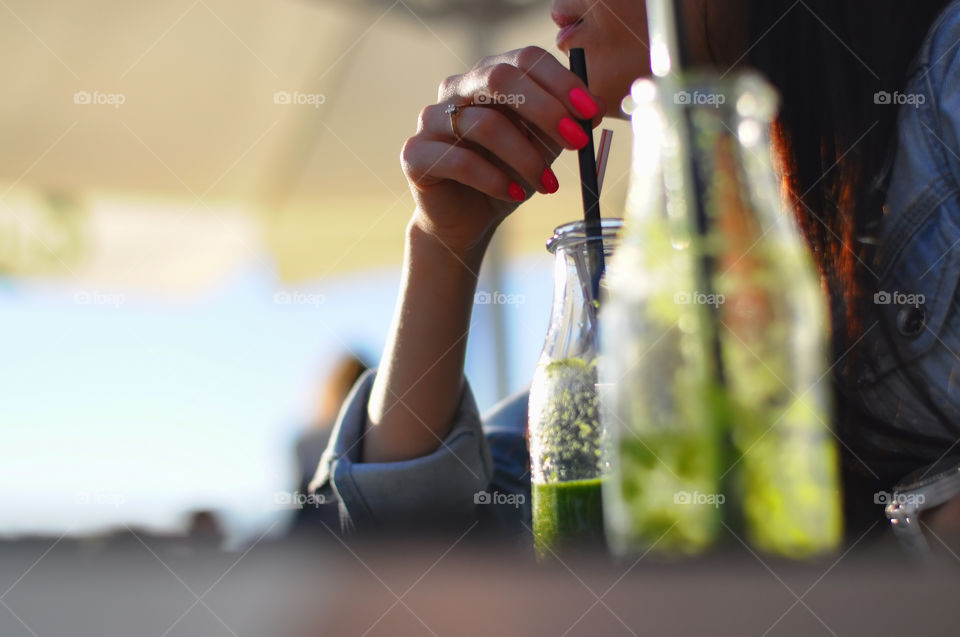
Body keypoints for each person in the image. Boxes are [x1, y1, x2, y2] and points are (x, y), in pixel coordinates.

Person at [310, 0, 960, 545]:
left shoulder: (944, 80)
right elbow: (406, 541)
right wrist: (442, 245)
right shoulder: (680, 257)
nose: (559, 6)